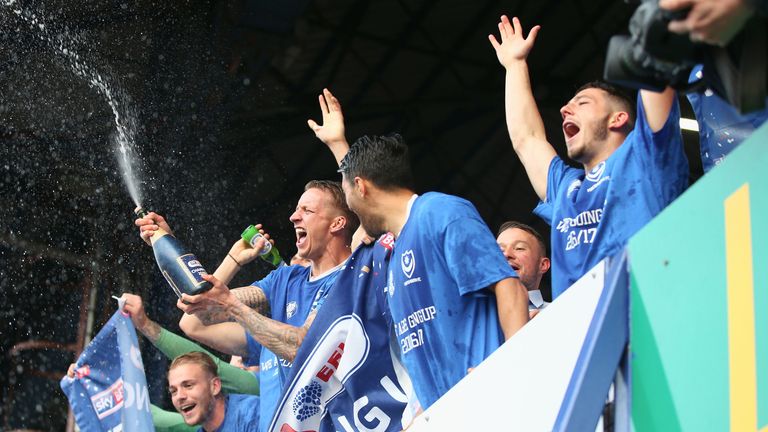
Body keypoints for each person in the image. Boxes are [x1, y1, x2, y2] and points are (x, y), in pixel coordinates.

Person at [489, 16, 688, 299]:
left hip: (646, 314)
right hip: (581, 335)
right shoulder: (566, 189)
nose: (564, 110)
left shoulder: (645, 156)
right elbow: (527, 139)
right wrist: (514, 65)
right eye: (568, 105)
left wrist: (658, 14)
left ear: (619, 119)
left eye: (582, 103)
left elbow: (656, 76)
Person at [333, 134, 528, 411]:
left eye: (348, 197)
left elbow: (510, 289)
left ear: (360, 186)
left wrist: (509, 367)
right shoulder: (394, 253)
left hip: (490, 403)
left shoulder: (440, 211)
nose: (352, 209)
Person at [171, 180, 359, 432]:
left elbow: (303, 347)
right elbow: (199, 312)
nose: (293, 217)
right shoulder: (286, 279)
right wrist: (230, 258)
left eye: (307, 211)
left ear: (337, 223)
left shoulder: (353, 277)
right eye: (296, 210)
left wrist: (231, 304)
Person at [167, 352, 260, 431]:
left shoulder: (252, 414)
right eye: (173, 391)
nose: (179, 396)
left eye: (188, 386)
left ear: (215, 386)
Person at [496, 221, 551, 311]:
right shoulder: (474, 314)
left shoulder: (560, 314)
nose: (506, 254)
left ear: (543, 265)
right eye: (499, 250)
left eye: (519, 248)